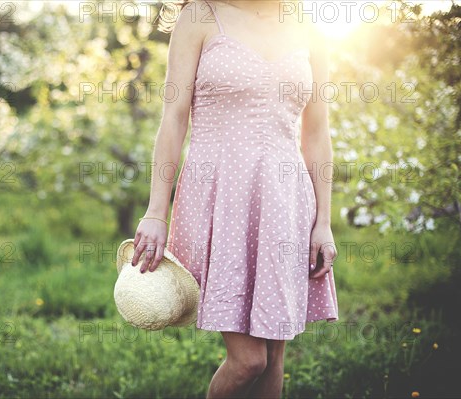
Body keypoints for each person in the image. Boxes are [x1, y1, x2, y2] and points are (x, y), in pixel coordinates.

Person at [130, 0, 339, 397]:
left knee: (275, 359)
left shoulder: (308, 27)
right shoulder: (200, 16)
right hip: (219, 196)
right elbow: (173, 118)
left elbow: (317, 132)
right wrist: (156, 211)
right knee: (249, 361)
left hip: (285, 200)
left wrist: (323, 222)